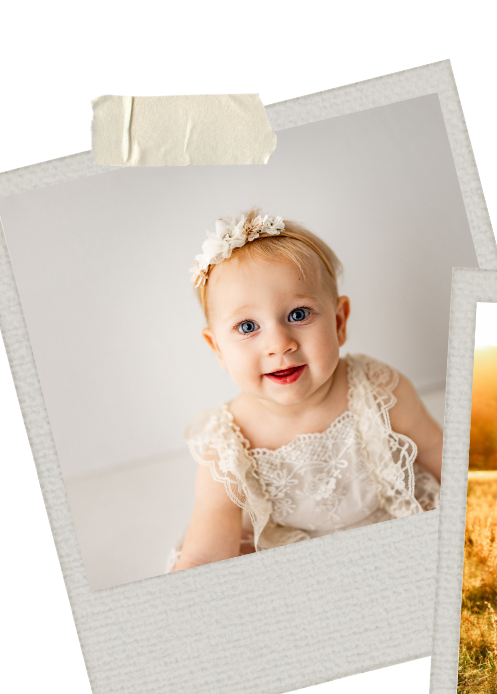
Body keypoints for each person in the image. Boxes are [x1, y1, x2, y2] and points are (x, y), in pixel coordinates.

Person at [170, 209, 442, 572]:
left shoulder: (378, 390)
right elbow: (204, 556)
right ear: (217, 348)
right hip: (291, 556)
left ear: (339, 321)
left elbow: (440, 451)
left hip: (387, 526)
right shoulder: (226, 446)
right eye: (248, 326)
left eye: (298, 314)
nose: (279, 344)